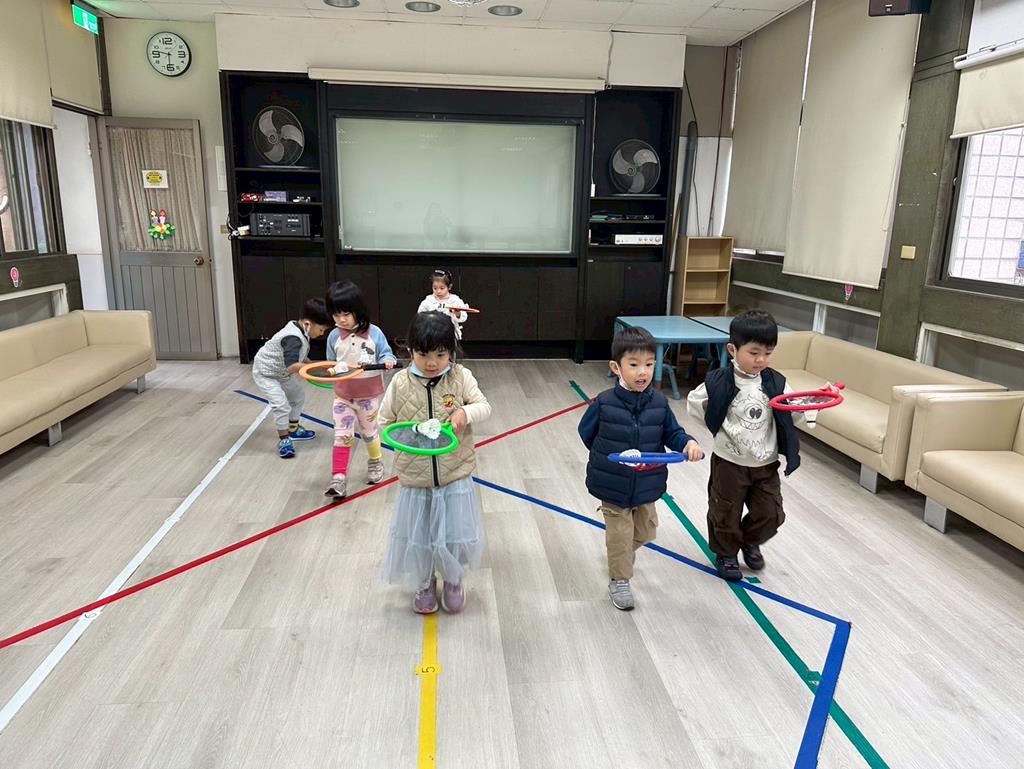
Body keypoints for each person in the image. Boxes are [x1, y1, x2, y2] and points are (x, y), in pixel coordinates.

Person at [579, 326, 704, 611]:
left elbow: (672, 433)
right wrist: (605, 457)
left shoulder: (659, 402)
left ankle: (622, 554)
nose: (643, 372)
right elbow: (587, 433)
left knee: (646, 532)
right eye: (634, 365)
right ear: (616, 367)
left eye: (649, 364)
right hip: (613, 484)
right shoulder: (604, 403)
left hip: (647, 481)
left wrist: (688, 443)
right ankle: (619, 578)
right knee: (620, 535)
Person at [379, 311, 491, 614]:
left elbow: (483, 406)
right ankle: (425, 580)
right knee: (420, 536)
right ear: (410, 350)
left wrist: (464, 413)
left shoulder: (460, 377)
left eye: (440, 355)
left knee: (453, 533)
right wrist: (410, 432)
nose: (432, 363)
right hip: (416, 479)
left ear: (451, 351)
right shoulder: (400, 383)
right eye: (423, 354)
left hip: (454, 474)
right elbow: (384, 422)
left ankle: (453, 579)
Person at [686, 310, 802, 582]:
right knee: (725, 510)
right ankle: (726, 553)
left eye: (768, 353)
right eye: (754, 352)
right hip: (729, 462)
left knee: (770, 513)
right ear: (733, 350)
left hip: (765, 463)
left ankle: (750, 540)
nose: (761, 360)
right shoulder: (718, 380)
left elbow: (792, 411)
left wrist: (813, 403)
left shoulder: (777, 382)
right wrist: (719, 428)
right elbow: (695, 404)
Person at [324, 280, 397, 498]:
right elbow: (330, 363)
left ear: (358, 310)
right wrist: (331, 371)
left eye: (346, 314)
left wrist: (388, 360)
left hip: (368, 395)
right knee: (342, 435)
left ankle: (375, 461)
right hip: (343, 396)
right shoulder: (334, 336)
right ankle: (338, 477)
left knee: (369, 433)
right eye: (336, 315)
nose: (341, 320)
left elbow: (386, 353)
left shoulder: (375, 333)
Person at [251, 298, 333, 459]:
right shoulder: (292, 338)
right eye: (321, 329)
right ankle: (284, 439)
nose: (322, 334)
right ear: (308, 324)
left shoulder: (301, 330)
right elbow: (292, 366)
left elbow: (301, 357)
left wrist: (320, 365)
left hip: (282, 373)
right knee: (281, 405)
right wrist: (314, 370)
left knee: (298, 397)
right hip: (266, 373)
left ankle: (293, 430)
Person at [417, 269, 469, 340]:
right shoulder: (428, 300)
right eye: (435, 288)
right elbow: (419, 317)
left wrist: (458, 314)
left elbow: (463, 318)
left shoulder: (455, 300)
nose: (438, 291)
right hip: (432, 335)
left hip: (450, 336)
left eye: (442, 288)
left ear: (449, 287)